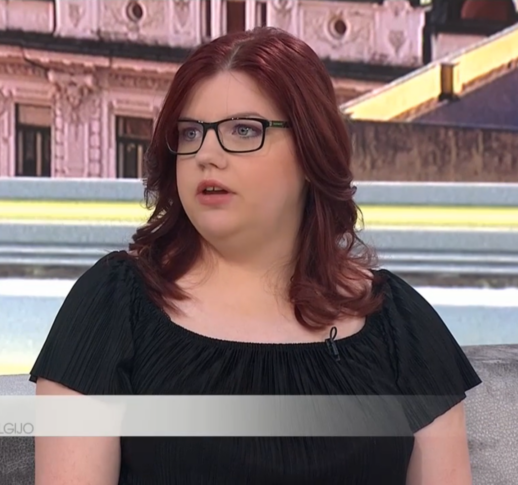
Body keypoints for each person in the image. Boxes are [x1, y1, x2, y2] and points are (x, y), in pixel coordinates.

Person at [29, 27, 482, 485]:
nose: (206, 154)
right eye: (190, 133)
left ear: (310, 152)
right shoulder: (112, 307)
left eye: (243, 130)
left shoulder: (401, 326)